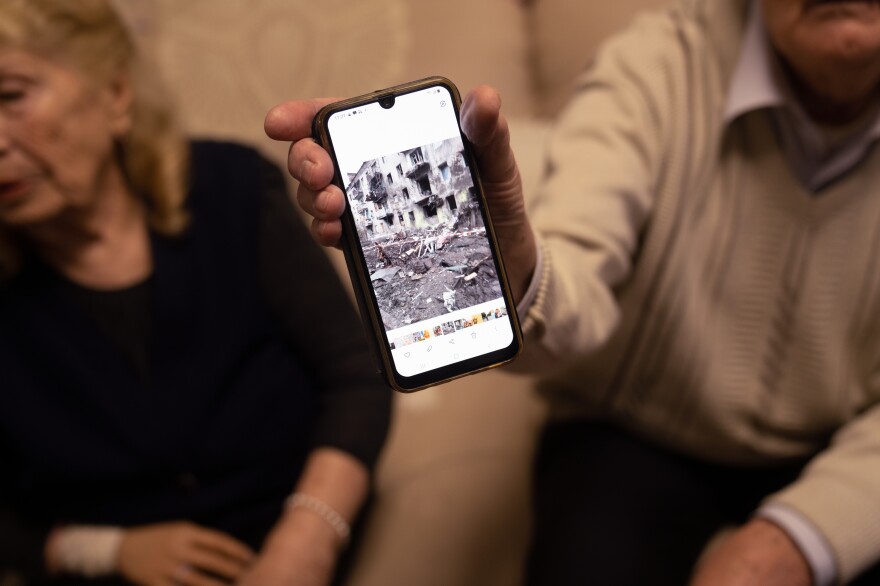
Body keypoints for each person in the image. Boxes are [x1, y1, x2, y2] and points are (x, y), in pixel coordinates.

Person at [265, 0, 880, 584]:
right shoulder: (657, 66)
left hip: (851, 447)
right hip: (632, 435)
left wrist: (801, 536)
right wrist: (516, 263)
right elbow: (579, 272)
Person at [0, 1, 391, 585]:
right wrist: (104, 550)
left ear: (114, 94)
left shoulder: (232, 190)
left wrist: (306, 541)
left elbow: (355, 376)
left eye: (10, 96)